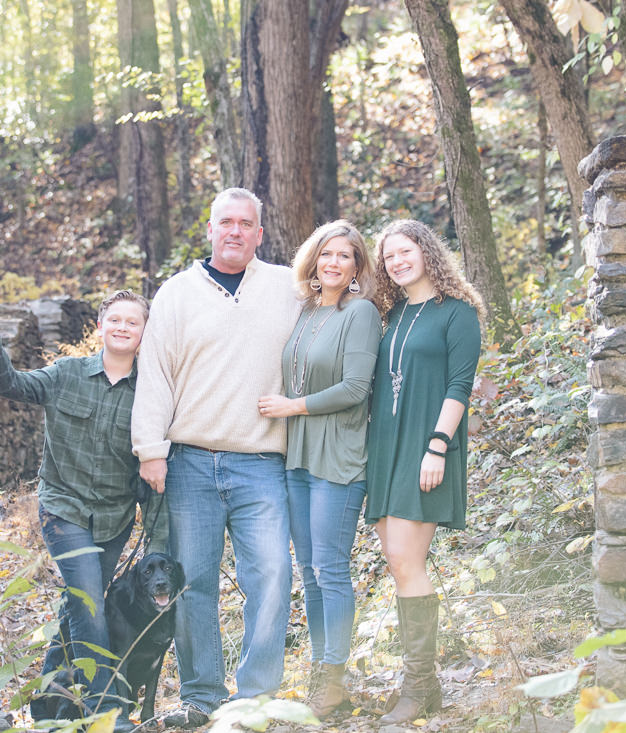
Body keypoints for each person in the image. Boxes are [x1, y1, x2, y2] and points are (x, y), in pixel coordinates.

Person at [133, 187, 302, 729]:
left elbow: (340, 321)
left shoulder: (288, 288)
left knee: (273, 574)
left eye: (245, 223)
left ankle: (254, 699)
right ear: (210, 229)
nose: (235, 231)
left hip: (262, 462)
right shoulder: (177, 293)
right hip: (190, 463)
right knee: (194, 584)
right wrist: (151, 450)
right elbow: (155, 375)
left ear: (259, 232)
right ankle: (202, 698)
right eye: (225, 222)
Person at [0, 288, 151, 733]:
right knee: (89, 604)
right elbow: (10, 385)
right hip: (64, 511)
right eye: (115, 319)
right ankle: (105, 710)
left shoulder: (152, 391)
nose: (122, 327)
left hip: (115, 519)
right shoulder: (66, 374)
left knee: (76, 607)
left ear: (143, 333)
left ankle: (48, 704)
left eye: (132, 322)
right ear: (100, 326)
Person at [256, 221, 381, 717]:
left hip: (340, 457)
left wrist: (292, 407)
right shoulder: (306, 312)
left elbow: (355, 388)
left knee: (330, 569)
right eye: (326, 254)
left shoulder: (362, 313)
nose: (333, 263)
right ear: (314, 260)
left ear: (356, 268)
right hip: (298, 459)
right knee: (307, 571)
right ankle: (318, 672)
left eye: (344, 256)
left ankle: (334, 677)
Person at [364, 220, 485, 724]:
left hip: (427, 448)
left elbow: (460, 386)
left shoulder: (458, 314)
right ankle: (419, 685)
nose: (396, 261)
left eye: (405, 251)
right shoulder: (388, 317)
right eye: (388, 256)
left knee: (406, 560)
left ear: (426, 252)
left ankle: (420, 687)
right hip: (385, 450)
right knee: (398, 563)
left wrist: (437, 446)